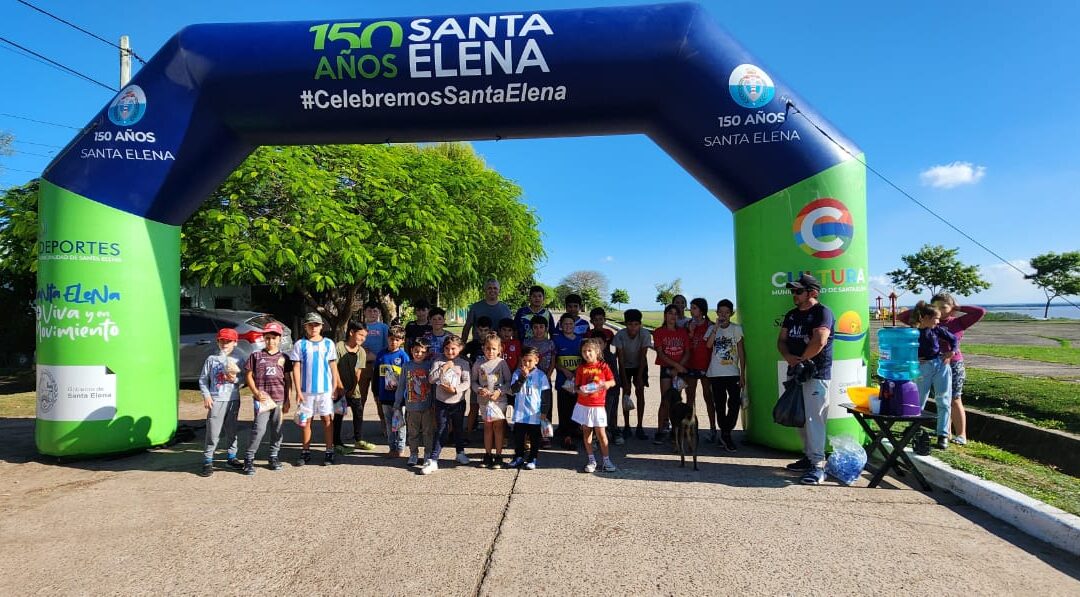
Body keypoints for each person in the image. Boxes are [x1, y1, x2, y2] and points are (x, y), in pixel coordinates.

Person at [899, 294, 985, 445]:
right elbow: (903, 317)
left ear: (951, 308)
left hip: (949, 364)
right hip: (927, 364)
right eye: (936, 307)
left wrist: (957, 308)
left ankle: (958, 434)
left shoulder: (958, 321)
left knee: (951, 399)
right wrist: (923, 309)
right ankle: (921, 429)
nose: (940, 311)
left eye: (943, 307)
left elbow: (980, 312)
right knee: (921, 398)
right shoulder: (921, 325)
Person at [777, 274, 834, 485]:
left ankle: (819, 466)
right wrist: (789, 358)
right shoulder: (792, 315)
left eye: (798, 291)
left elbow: (820, 340)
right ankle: (809, 457)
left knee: (814, 418)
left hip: (815, 373)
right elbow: (781, 340)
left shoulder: (822, 313)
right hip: (796, 372)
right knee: (801, 418)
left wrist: (802, 360)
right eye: (793, 291)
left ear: (813, 293)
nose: (794, 294)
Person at [290, 312, 344, 466]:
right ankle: (305, 451)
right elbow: (296, 367)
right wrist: (298, 391)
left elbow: (333, 366)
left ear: (321, 326)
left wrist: (335, 386)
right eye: (310, 325)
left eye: (316, 324)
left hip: (325, 390)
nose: (313, 327)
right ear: (305, 327)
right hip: (306, 391)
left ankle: (329, 450)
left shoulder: (328, 343)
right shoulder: (300, 344)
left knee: (327, 419)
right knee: (306, 421)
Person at [242, 322, 292, 475]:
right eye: (268, 338)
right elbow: (248, 375)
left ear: (279, 339)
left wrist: (287, 399)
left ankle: (273, 456)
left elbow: (287, 379)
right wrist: (256, 392)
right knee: (259, 429)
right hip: (262, 400)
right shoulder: (256, 356)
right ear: (264, 338)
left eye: (274, 338)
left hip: (278, 398)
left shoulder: (284, 357)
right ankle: (249, 458)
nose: (271, 341)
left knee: (277, 429)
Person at [910, 301, 958, 450]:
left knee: (943, 400)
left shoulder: (937, 330)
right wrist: (913, 358)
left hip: (940, 365)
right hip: (922, 368)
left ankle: (942, 435)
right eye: (936, 318)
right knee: (918, 400)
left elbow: (953, 339)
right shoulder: (913, 332)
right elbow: (904, 349)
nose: (938, 321)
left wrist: (952, 351)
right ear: (924, 317)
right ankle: (915, 430)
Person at [197, 327, 245, 477]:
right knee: (213, 431)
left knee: (232, 430)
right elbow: (203, 379)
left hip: (233, 399)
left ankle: (231, 457)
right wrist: (206, 395)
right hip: (216, 399)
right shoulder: (212, 359)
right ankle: (207, 459)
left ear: (235, 343)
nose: (225, 344)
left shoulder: (239, 359)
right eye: (222, 341)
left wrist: (235, 379)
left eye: (228, 341)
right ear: (218, 342)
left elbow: (244, 379)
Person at [426, 334, 472, 474]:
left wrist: (455, 389)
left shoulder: (463, 363)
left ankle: (460, 453)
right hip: (441, 403)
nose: (450, 352)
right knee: (441, 430)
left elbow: (467, 382)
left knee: (458, 428)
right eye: (447, 348)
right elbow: (431, 379)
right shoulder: (438, 361)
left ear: (460, 348)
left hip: (458, 402)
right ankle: (433, 459)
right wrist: (444, 368)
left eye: (453, 349)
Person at [705, 299, 746, 452]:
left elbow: (741, 352)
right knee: (720, 404)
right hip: (715, 373)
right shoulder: (712, 329)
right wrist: (715, 327)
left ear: (731, 314)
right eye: (720, 312)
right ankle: (725, 434)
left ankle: (726, 431)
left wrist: (742, 373)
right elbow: (708, 345)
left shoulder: (736, 329)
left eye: (726, 313)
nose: (723, 315)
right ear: (716, 313)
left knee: (735, 403)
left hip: (733, 372)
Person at [572, 337, 618, 473]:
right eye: (584, 351)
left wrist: (605, 385)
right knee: (586, 432)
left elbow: (612, 382)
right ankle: (591, 459)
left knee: (602, 434)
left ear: (597, 351)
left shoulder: (603, 366)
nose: (587, 354)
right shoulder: (581, 368)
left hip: (598, 405)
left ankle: (606, 460)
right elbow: (577, 387)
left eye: (590, 350)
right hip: (584, 405)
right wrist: (581, 391)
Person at [472, 333, 513, 468]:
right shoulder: (478, 363)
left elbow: (508, 381)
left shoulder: (502, 363)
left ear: (500, 349)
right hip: (484, 402)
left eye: (494, 349)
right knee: (488, 427)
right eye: (488, 348)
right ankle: (488, 455)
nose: (491, 351)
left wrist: (499, 391)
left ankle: (499, 455)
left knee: (498, 427)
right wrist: (479, 389)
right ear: (483, 348)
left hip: (499, 401)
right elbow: (473, 381)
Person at [507, 347, 551, 469]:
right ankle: (519, 456)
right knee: (519, 438)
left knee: (534, 438)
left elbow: (546, 395)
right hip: (520, 414)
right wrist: (522, 377)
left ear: (536, 360)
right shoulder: (517, 373)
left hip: (534, 415)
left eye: (530, 361)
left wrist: (544, 412)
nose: (526, 363)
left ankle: (532, 458)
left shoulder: (541, 376)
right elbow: (513, 390)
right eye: (524, 361)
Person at [651, 304, 689, 444]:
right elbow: (660, 353)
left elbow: (687, 352)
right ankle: (661, 430)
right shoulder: (659, 331)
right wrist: (675, 366)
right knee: (665, 399)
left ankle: (676, 430)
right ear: (665, 315)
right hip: (667, 368)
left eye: (676, 314)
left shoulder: (682, 332)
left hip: (680, 370)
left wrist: (679, 367)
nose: (673, 316)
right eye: (670, 313)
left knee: (677, 400)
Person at [613, 309, 652, 440]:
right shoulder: (620, 335)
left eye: (636, 324)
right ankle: (627, 426)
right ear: (625, 324)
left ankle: (640, 426)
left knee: (640, 392)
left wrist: (640, 377)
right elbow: (620, 359)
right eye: (630, 324)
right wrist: (624, 381)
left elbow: (643, 356)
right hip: (625, 366)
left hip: (640, 365)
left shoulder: (645, 334)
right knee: (626, 394)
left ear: (640, 324)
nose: (633, 327)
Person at [394, 336, 434, 468]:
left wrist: (434, 403)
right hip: (411, 407)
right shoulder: (407, 366)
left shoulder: (429, 366)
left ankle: (428, 454)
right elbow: (401, 386)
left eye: (423, 352)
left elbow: (433, 386)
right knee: (413, 432)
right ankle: (413, 454)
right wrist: (397, 404)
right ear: (412, 351)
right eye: (417, 351)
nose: (419, 354)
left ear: (427, 353)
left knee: (428, 432)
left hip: (427, 406)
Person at [334, 320, 370, 453]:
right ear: (351, 332)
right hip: (338, 389)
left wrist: (353, 388)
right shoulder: (339, 347)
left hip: (353, 390)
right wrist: (339, 387)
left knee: (358, 412)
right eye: (360, 335)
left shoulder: (362, 352)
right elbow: (334, 369)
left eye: (365, 336)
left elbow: (358, 373)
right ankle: (336, 442)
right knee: (338, 414)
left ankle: (358, 439)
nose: (363, 339)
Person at [685, 297, 717, 442]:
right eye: (691, 308)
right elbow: (686, 344)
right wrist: (690, 333)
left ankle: (712, 428)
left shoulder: (711, 325)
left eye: (694, 308)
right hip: (691, 365)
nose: (691, 311)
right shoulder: (687, 324)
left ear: (702, 310)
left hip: (706, 366)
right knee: (690, 398)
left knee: (708, 397)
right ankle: (691, 428)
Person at [376, 325, 410, 457]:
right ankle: (392, 447)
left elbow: (407, 377)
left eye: (397, 339)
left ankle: (401, 448)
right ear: (387, 338)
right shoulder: (381, 355)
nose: (393, 342)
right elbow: (376, 375)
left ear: (402, 340)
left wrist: (404, 394)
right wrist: (377, 393)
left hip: (399, 398)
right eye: (391, 339)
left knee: (400, 424)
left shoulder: (403, 357)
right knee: (389, 423)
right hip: (385, 396)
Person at [523, 314, 556, 445]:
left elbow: (553, 361)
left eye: (541, 327)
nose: (538, 330)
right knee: (530, 406)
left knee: (545, 406)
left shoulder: (550, 343)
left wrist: (547, 377)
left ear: (546, 328)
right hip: (530, 381)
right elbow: (524, 360)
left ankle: (545, 434)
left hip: (545, 379)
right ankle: (529, 434)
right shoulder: (527, 342)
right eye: (535, 327)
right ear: (531, 329)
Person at [553, 312, 584, 447]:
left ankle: (576, 429)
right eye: (565, 324)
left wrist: (577, 372)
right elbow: (554, 361)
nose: (568, 326)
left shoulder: (580, 340)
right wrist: (565, 370)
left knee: (577, 407)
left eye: (570, 324)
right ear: (560, 325)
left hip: (578, 380)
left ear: (574, 325)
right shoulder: (556, 340)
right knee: (564, 408)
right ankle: (566, 434)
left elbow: (585, 359)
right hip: (563, 381)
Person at [359, 302, 390, 433]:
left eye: (375, 311)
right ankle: (357, 428)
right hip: (361, 366)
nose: (372, 313)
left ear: (379, 313)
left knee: (380, 397)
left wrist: (377, 356)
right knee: (360, 397)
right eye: (370, 311)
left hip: (379, 366)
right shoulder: (360, 326)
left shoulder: (383, 327)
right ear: (364, 312)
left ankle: (384, 425)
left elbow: (388, 346)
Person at [589, 328, 622, 446]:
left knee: (608, 414)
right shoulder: (587, 357)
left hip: (609, 391)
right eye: (594, 343)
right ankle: (594, 437)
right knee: (593, 415)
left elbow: (614, 377)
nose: (597, 346)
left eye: (600, 343)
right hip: (593, 393)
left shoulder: (610, 357)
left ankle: (612, 432)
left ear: (605, 344)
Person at [462, 315, 492, 436]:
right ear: (476, 330)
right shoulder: (473, 344)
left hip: (490, 382)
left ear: (490, 330)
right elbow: (461, 354)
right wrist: (470, 363)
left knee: (490, 409)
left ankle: (490, 434)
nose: (483, 333)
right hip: (476, 381)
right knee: (474, 407)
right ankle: (468, 433)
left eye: (486, 330)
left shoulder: (493, 343)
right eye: (480, 330)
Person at [461, 278, 512, 343]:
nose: (492, 290)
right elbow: (467, 327)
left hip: (499, 347)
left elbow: (510, 329)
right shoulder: (475, 307)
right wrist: (462, 346)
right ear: (485, 290)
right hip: (478, 348)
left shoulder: (505, 308)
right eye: (489, 288)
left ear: (499, 290)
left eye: (495, 288)